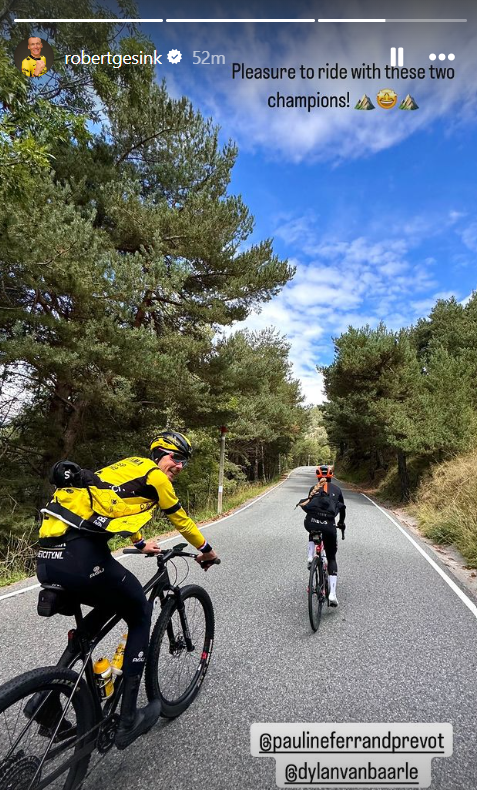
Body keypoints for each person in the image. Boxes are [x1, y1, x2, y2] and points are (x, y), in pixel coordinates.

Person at [36, 429, 218, 749]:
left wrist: (138, 542)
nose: (179, 466)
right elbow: (182, 520)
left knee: (108, 603)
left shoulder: (127, 466)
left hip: (49, 558)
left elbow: (109, 503)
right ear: (160, 453)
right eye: (176, 458)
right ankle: (128, 718)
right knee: (139, 610)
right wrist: (206, 549)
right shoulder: (155, 477)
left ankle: (44, 700)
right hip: (81, 557)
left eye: (184, 462)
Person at [296, 465, 346, 607]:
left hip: (311, 523)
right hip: (329, 526)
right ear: (332, 476)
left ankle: (311, 557)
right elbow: (342, 508)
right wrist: (341, 523)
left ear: (318, 477)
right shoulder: (337, 490)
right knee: (331, 558)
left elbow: (310, 505)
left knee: (313, 531)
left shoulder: (314, 488)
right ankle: (332, 595)